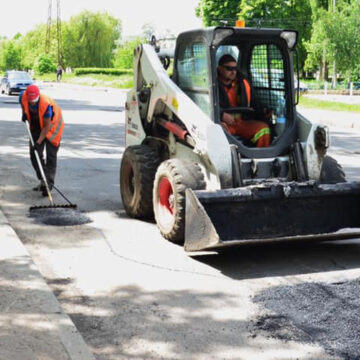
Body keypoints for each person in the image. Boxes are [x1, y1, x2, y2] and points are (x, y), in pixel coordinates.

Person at [20, 84, 64, 196]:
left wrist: (38, 142)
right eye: (31, 101)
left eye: (34, 100)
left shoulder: (46, 105)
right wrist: (24, 114)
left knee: (51, 156)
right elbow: (23, 104)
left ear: (38, 96)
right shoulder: (23, 96)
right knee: (34, 155)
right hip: (36, 126)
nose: (32, 103)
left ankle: (48, 184)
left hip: (52, 128)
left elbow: (46, 127)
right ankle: (43, 180)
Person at [218, 54, 271, 147]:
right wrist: (221, 114)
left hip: (242, 122)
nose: (233, 72)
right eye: (229, 68)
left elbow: (254, 101)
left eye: (235, 68)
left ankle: (260, 159)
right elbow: (205, 105)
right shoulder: (212, 84)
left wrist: (264, 110)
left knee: (264, 129)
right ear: (219, 68)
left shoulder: (243, 83)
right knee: (219, 133)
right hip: (222, 124)